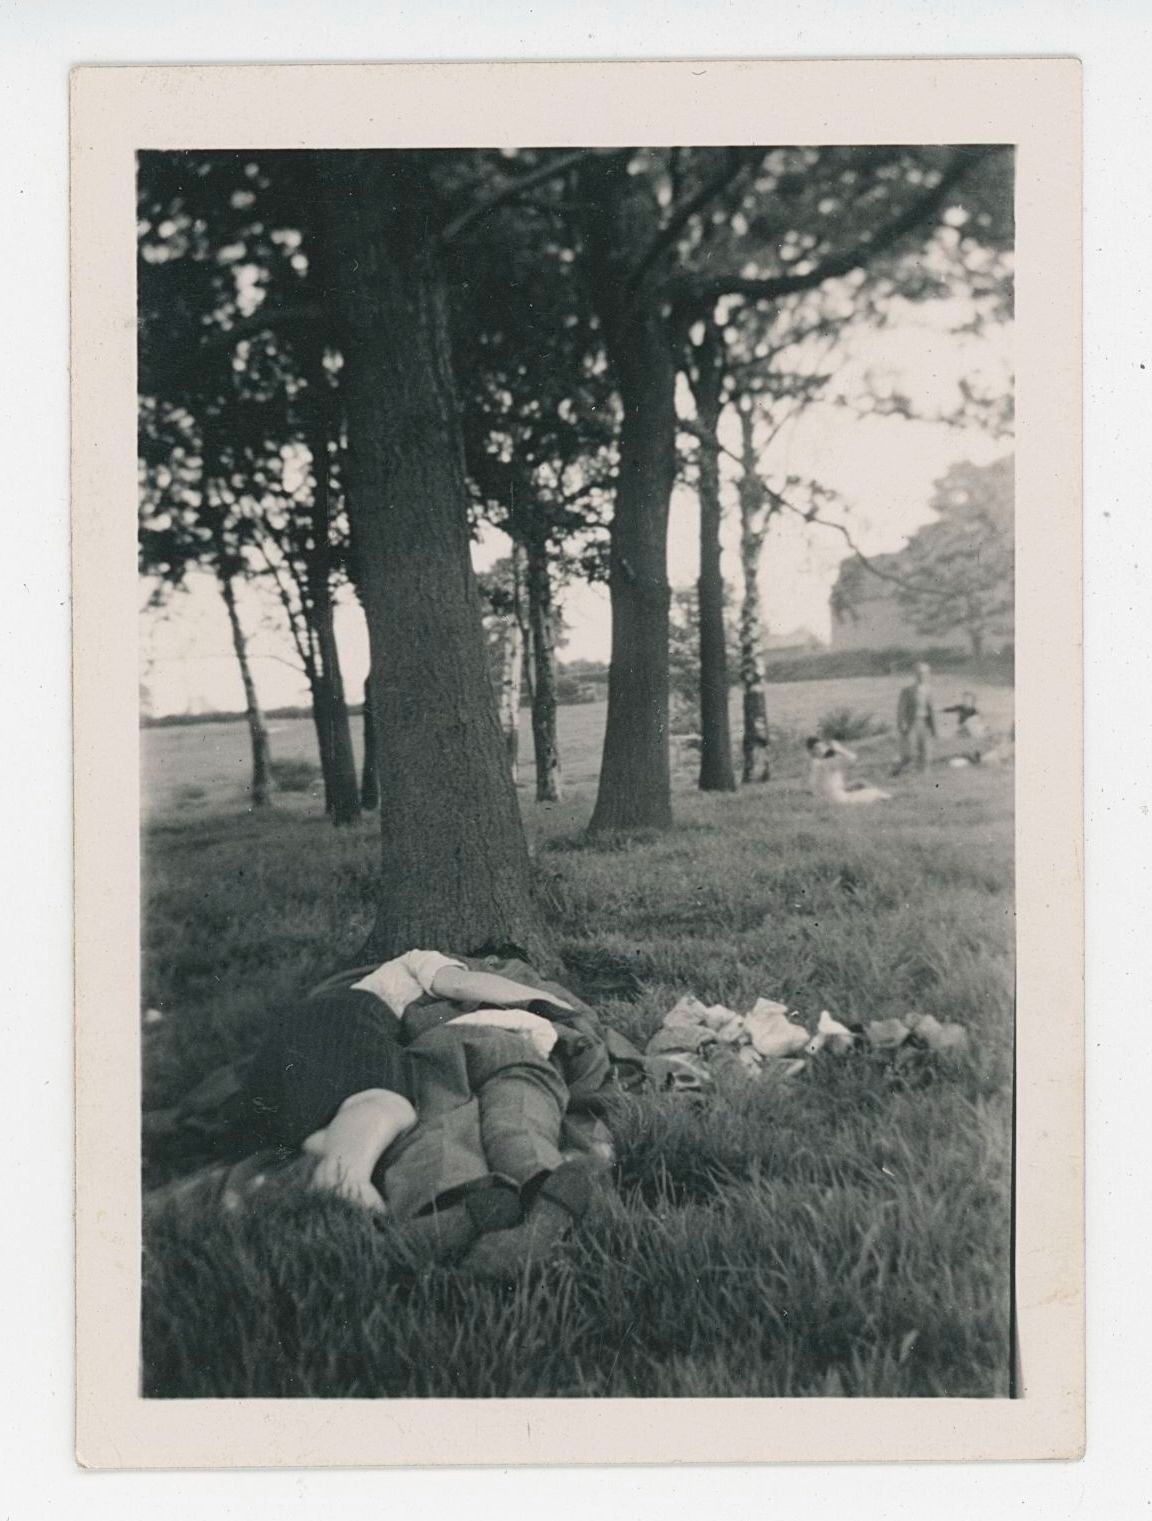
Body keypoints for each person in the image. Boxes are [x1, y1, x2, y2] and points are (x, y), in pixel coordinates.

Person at [228, 949, 604, 1277]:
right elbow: (460, 984)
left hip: (441, 1055)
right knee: (516, 1121)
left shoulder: (400, 1020)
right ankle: (543, 1197)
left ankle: (445, 1212)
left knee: (438, 1127)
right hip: (514, 1050)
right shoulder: (411, 970)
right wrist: (550, 1002)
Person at [806, 736, 891, 805]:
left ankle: (885, 796)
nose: (822, 750)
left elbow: (817, 787)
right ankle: (888, 798)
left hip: (824, 799)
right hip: (838, 799)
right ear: (812, 751)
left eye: (823, 747)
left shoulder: (814, 763)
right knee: (875, 793)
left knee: (859, 782)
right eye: (818, 748)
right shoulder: (825, 763)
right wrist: (839, 749)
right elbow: (853, 758)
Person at [893, 661, 936, 774]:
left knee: (926, 749)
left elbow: (931, 710)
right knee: (911, 750)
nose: (923, 676)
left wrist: (934, 728)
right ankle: (909, 772)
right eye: (920, 673)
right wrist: (901, 724)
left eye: (926, 673)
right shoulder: (907, 691)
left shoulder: (929, 690)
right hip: (913, 723)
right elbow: (900, 710)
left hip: (925, 723)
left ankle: (925, 773)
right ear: (915, 674)